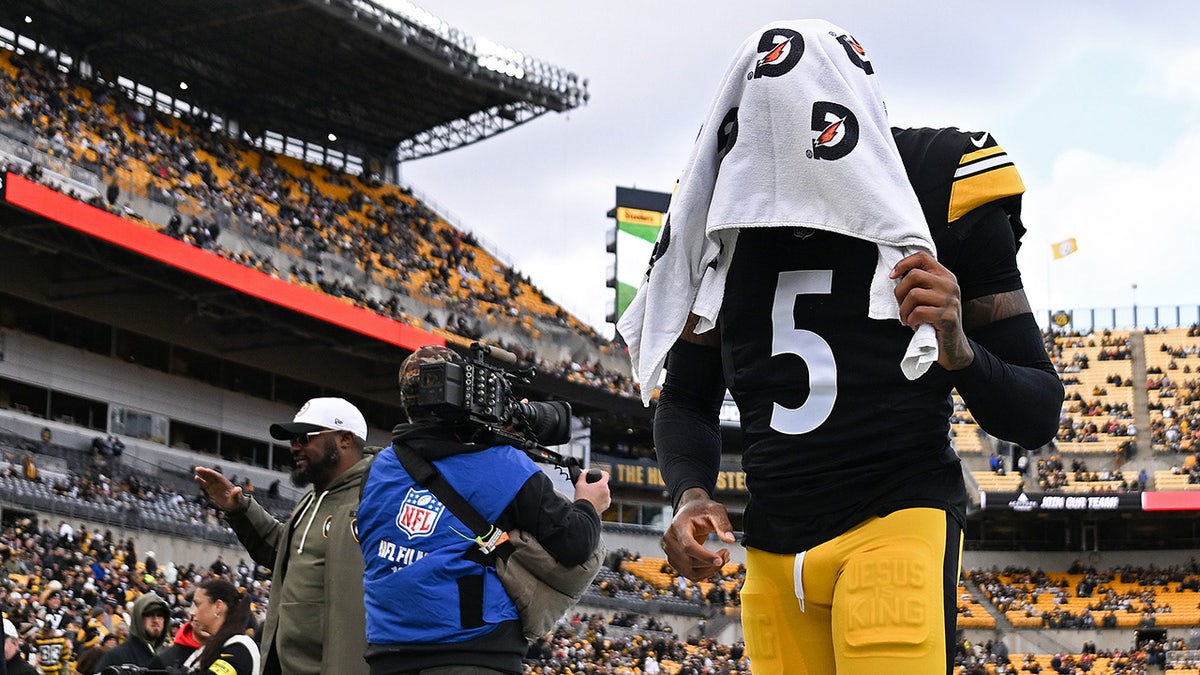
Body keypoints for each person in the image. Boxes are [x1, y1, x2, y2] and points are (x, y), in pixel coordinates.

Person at [617, 19, 1063, 675]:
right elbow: (686, 397)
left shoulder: (936, 176)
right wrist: (690, 491)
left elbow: (1037, 412)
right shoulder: (722, 212)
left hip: (895, 519)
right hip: (773, 547)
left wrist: (959, 346)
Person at [357, 345, 611, 674]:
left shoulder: (376, 469)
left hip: (386, 652)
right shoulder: (503, 464)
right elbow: (575, 543)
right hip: (473, 650)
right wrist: (589, 503)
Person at [194, 397, 372, 675]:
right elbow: (283, 553)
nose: (294, 447)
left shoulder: (372, 497)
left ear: (345, 439)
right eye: (292, 439)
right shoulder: (312, 499)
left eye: (304, 437)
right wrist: (239, 508)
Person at [182, 578, 258, 675]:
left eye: (197, 605)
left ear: (218, 607)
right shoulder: (212, 645)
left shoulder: (240, 647)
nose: (192, 612)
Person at [94, 592, 169, 671]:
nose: (156, 620)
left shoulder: (168, 656)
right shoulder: (116, 656)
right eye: (149, 614)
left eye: (160, 615)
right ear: (138, 618)